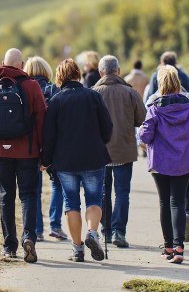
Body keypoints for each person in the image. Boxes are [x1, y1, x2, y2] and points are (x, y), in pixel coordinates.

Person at [0, 48, 46, 263]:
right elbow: (42, 120)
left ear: (3, 63)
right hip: (27, 152)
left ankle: (9, 247)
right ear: (22, 64)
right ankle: (29, 237)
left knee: (6, 196)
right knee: (28, 195)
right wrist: (42, 149)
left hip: (0, 151)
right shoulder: (32, 86)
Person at [41, 58, 113, 262]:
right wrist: (101, 141)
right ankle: (92, 232)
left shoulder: (56, 101)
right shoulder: (93, 96)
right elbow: (107, 127)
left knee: (71, 203)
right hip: (93, 157)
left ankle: (77, 249)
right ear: (77, 74)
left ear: (60, 77)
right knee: (94, 199)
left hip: (65, 162)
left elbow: (49, 136)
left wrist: (45, 160)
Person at [139, 65, 189, 264]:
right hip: (184, 161)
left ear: (160, 84)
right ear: (178, 83)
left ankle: (168, 246)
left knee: (163, 202)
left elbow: (145, 135)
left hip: (160, 162)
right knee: (178, 202)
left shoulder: (154, 109)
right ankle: (179, 247)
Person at [93, 55, 146, 247]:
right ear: (118, 71)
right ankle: (119, 232)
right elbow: (142, 119)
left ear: (101, 72)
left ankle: (106, 231)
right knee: (123, 192)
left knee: (102, 192)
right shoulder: (130, 93)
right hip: (124, 149)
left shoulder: (94, 93)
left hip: (100, 152)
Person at [23, 56, 68, 242]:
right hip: (53, 145)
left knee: (34, 190)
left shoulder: (23, 90)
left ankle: (37, 230)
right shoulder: (54, 89)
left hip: (30, 145)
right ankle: (55, 226)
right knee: (57, 185)